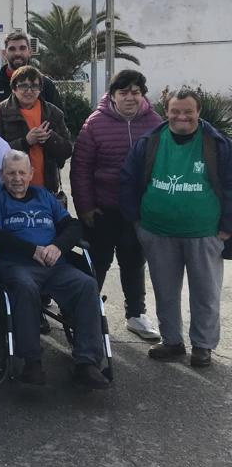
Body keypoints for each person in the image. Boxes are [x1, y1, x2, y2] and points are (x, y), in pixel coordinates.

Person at [120, 87, 232, 368]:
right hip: (157, 231)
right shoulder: (150, 142)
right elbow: (128, 181)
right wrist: (137, 221)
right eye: (175, 111)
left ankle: (203, 346)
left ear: (198, 112)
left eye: (188, 111)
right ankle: (172, 341)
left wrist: (227, 226)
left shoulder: (217, 143)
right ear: (166, 112)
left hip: (204, 232)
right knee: (165, 291)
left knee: (205, 293)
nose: (182, 116)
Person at [0, 150, 110, 389]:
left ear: (31, 174)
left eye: (22, 173)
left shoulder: (44, 196)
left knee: (86, 284)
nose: (17, 178)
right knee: (25, 287)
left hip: (55, 265)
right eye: (11, 173)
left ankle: (87, 363)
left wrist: (58, 247)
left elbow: (72, 226)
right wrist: (31, 250)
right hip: (18, 266)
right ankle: (32, 362)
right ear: (1, 174)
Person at [71, 69, 162, 341]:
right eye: (124, 92)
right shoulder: (95, 123)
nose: (130, 98)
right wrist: (85, 207)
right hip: (102, 209)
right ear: (112, 95)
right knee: (97, 262)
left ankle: (136, 314)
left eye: (136, 92)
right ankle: (86, 314)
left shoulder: (155, 122)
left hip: (138, 212)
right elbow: (80, 169)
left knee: (134, 262)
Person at [0, 65, 72, 198]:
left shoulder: (54, 113)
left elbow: (67, 151)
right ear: (14, 88)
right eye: (23, 86)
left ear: (40, 89)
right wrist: (25, 142)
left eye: (34, 86)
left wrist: (50, 138)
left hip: (46, 190)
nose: (29, 91)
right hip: (10, 190)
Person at [0, 31, 61, 106]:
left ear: (30, 52)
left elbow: (59, 115)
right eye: (12, 49)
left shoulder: (46, 85)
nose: (17, 53)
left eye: (22, 48)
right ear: (4, 54)